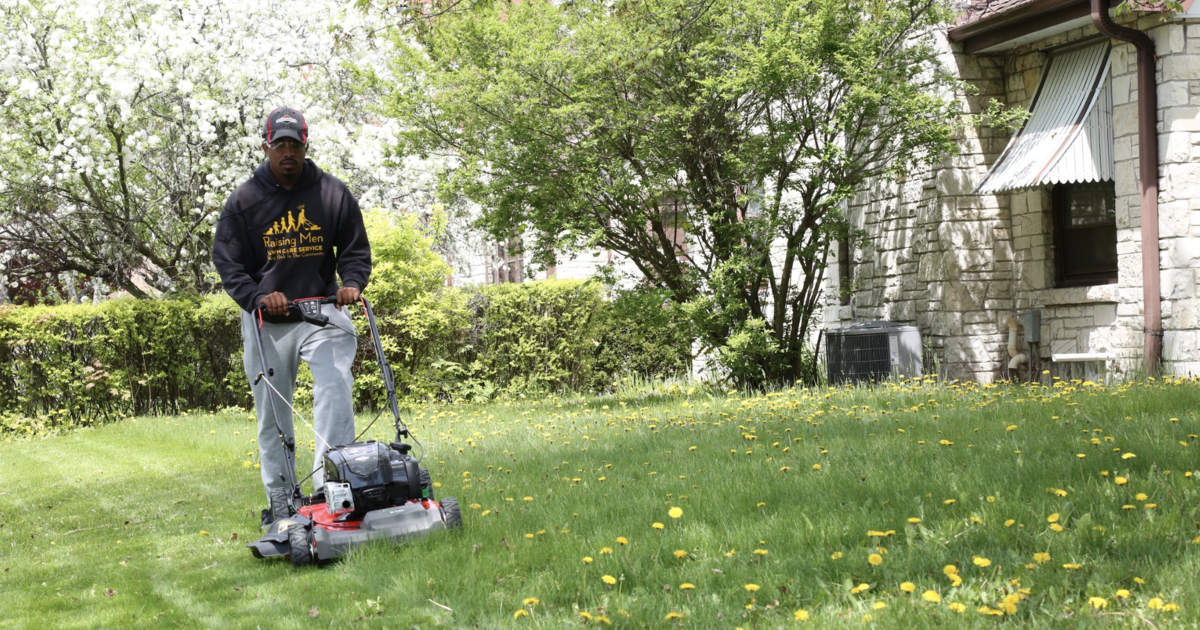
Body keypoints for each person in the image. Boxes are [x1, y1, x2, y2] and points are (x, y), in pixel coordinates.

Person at [212, 107, 371, 526]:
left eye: (294, 145)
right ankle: (281, 499)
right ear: (266, 147)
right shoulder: (244, 200)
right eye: (279, 145)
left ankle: (331, 489)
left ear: (305, 146)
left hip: (322, 311)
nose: (287, 152)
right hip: (268, 321)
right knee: (273, 413)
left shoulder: (333, 194)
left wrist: (351, 282)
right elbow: (228, 263)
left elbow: (354, 248)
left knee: (336, 387)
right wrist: (259, 297)